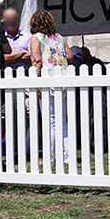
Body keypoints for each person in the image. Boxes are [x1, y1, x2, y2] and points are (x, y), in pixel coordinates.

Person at [29, 10, 73, 162]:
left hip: (47, 82)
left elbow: (37, 60)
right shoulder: (59, 37)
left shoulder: (36, 38)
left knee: (51, 121)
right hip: (63, 79)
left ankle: (52, 156)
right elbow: (70, 56)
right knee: (63, 120)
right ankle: (67, 155)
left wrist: (37, 82)